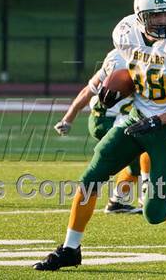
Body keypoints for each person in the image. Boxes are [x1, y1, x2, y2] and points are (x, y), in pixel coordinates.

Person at [34, 0, 166, 271]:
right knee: (90, 177)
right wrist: (118, 89)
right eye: (157, 16)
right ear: (141, 17)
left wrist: (159, 120)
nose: (165, 21)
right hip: (137, 119)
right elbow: (136, 73)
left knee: (154, 214)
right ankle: (70, 248)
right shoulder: (126, 34)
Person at [54, 49, 151, 214]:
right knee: (142, 148)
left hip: (107, 119)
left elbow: (87, 91)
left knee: (139, 156)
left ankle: (118, 202)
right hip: (108, 119)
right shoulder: (122, 60)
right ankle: (145, 197)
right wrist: (67, 119)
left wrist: (68, 119)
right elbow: (88, 91)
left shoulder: (120, 56)